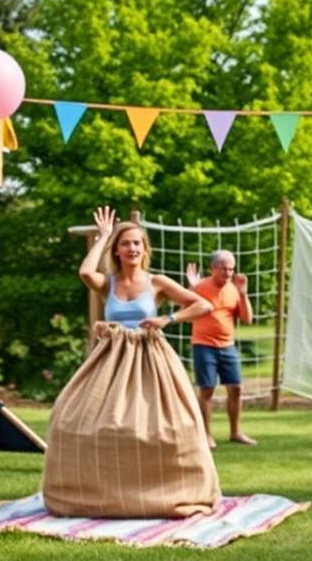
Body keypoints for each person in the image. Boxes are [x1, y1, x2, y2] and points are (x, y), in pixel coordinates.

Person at [44, 206, 219, 518]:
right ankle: (104, 494)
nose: (132, 248)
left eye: (137, 243)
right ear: (117, 250)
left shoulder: (157, 282)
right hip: (110, 364)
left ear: (145, 249)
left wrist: (168, 318)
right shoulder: (107, 283)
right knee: (72, 419)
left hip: (151, 362)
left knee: (168, 427)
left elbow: (203, 304)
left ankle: (170, 491)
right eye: (125, 243)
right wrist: (104, 235)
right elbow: (85, 272)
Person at [185, 250, 256, 449]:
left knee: (236, 388)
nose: (228, 273)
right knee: (207, 390)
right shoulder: (200, 287)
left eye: (231, 269)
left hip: (228, 346)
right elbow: (186, 311)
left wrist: (243, 294)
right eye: (224, 268)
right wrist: (191, 288)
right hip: (204, 345)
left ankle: (235, 432)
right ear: (213, 269)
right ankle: (206, 435)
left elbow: (247, 319)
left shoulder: (234, 289)